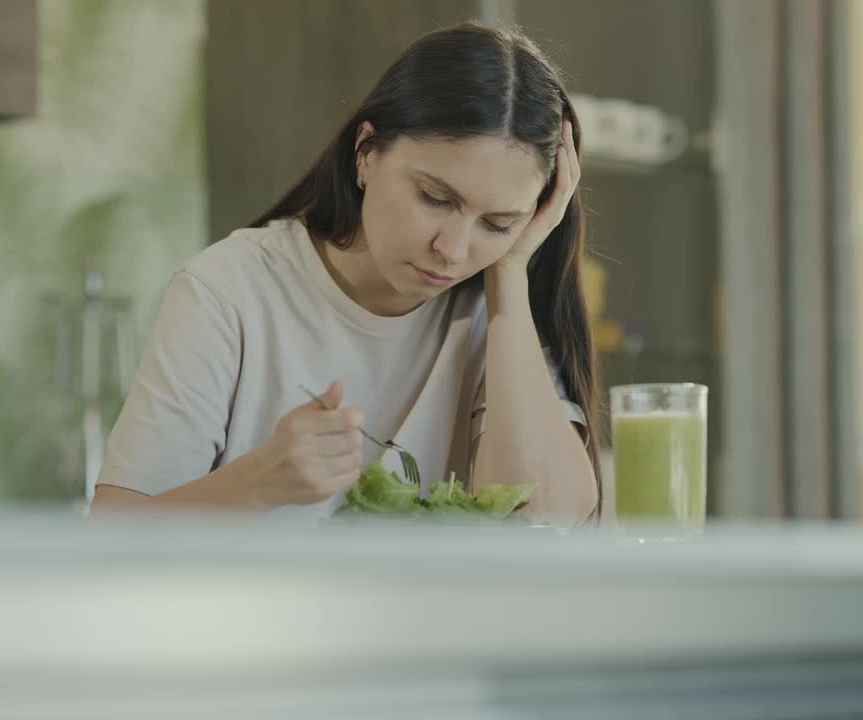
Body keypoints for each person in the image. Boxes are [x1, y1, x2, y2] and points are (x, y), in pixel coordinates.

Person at [90, 22, 601, 525]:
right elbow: (110, 541)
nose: (453, 250)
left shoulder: (496, 315)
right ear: (365, 153)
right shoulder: (227, 292)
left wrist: (510, 277)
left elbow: (544, 517)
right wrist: (258, 481)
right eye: (434, 198)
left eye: (498, 223)